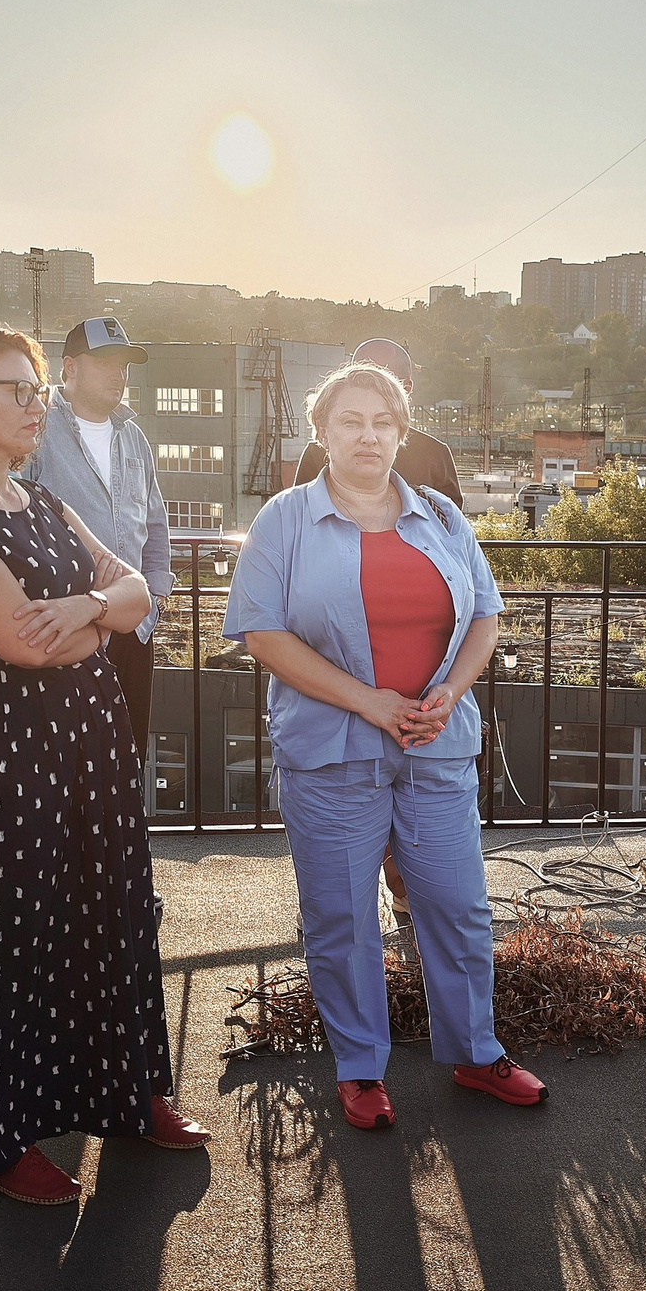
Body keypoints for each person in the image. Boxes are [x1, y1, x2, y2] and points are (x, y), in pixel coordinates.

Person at [0, 326, 206, 1204]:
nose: (38, 405)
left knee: (111, 913)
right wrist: (98, 619)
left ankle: (133, 1096)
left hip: (90, 745)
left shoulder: (37, 502)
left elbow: (137, 591)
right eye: (18, 390)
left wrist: (84, 604)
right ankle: (3, 1140)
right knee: (12, 934)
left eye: (38, 389)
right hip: (4, 755)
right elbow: (21, 647)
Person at [229, 361, 541, 1130]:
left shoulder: (439, 514)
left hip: (435, 747)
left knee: (458, 907)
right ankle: (361, 1069)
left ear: (402, 433)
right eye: (350, 422)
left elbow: (485, 619)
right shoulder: (284, 519)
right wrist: (369, 701)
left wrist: (450, 694)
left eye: (382, 423)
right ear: (323, 432)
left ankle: (476, 1052)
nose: (367, 436)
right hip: (333, 753)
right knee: (342, 919)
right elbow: (261, 633)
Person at [24, 315, 173, 775]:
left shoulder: (134, 437)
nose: (119, 373)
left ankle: (121, 850)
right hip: (66, 627)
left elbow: (155, 523)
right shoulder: (36, 432)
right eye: (105, 360)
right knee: (65, 765)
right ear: (68, 367)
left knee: (127, 761)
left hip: (131, 627)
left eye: (125, 364)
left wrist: (154, 599)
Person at [292, 336, 464, 502]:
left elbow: (447, 524)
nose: (369, 439)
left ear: (406, 388)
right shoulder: (318, 451)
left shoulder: (434, 454)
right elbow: (298, 514)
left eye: (386, 385)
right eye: (361, 380)